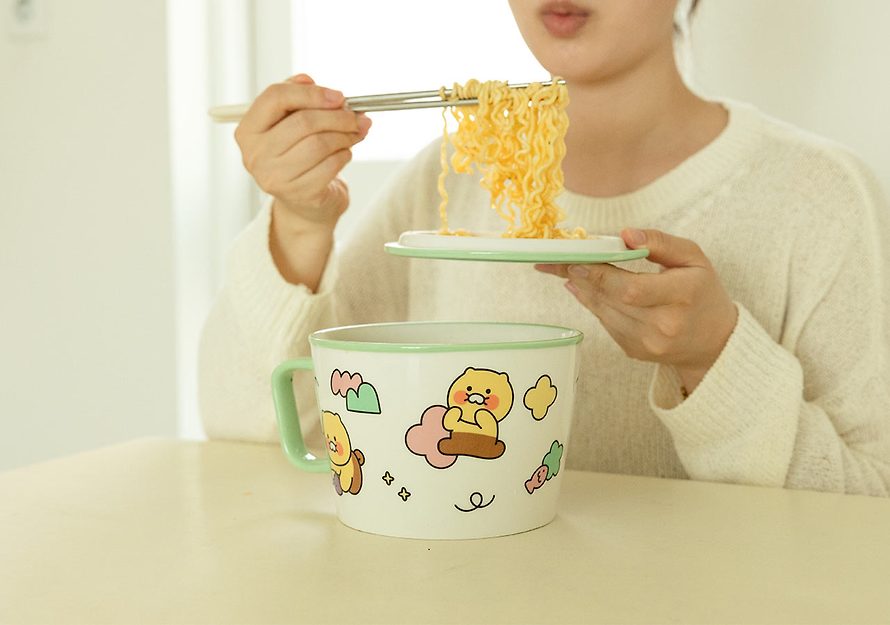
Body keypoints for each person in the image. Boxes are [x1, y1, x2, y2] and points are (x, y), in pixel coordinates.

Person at [199, 0, 890, 496]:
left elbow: (868, 505)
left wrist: (713, 359)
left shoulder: (817, 194)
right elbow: (254, 431)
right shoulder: (453, 180)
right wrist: (300, 222)